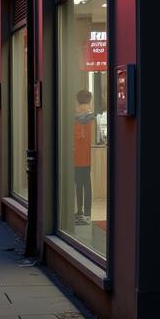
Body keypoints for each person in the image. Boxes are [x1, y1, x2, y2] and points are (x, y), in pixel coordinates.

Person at [73, 89, 96, 224]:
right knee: (87, 185)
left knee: (79, 185)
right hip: (88, 156)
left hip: (77, 156)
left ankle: (81, 211)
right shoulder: (91, 117)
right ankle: (86, 213)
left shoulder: (76, 118)